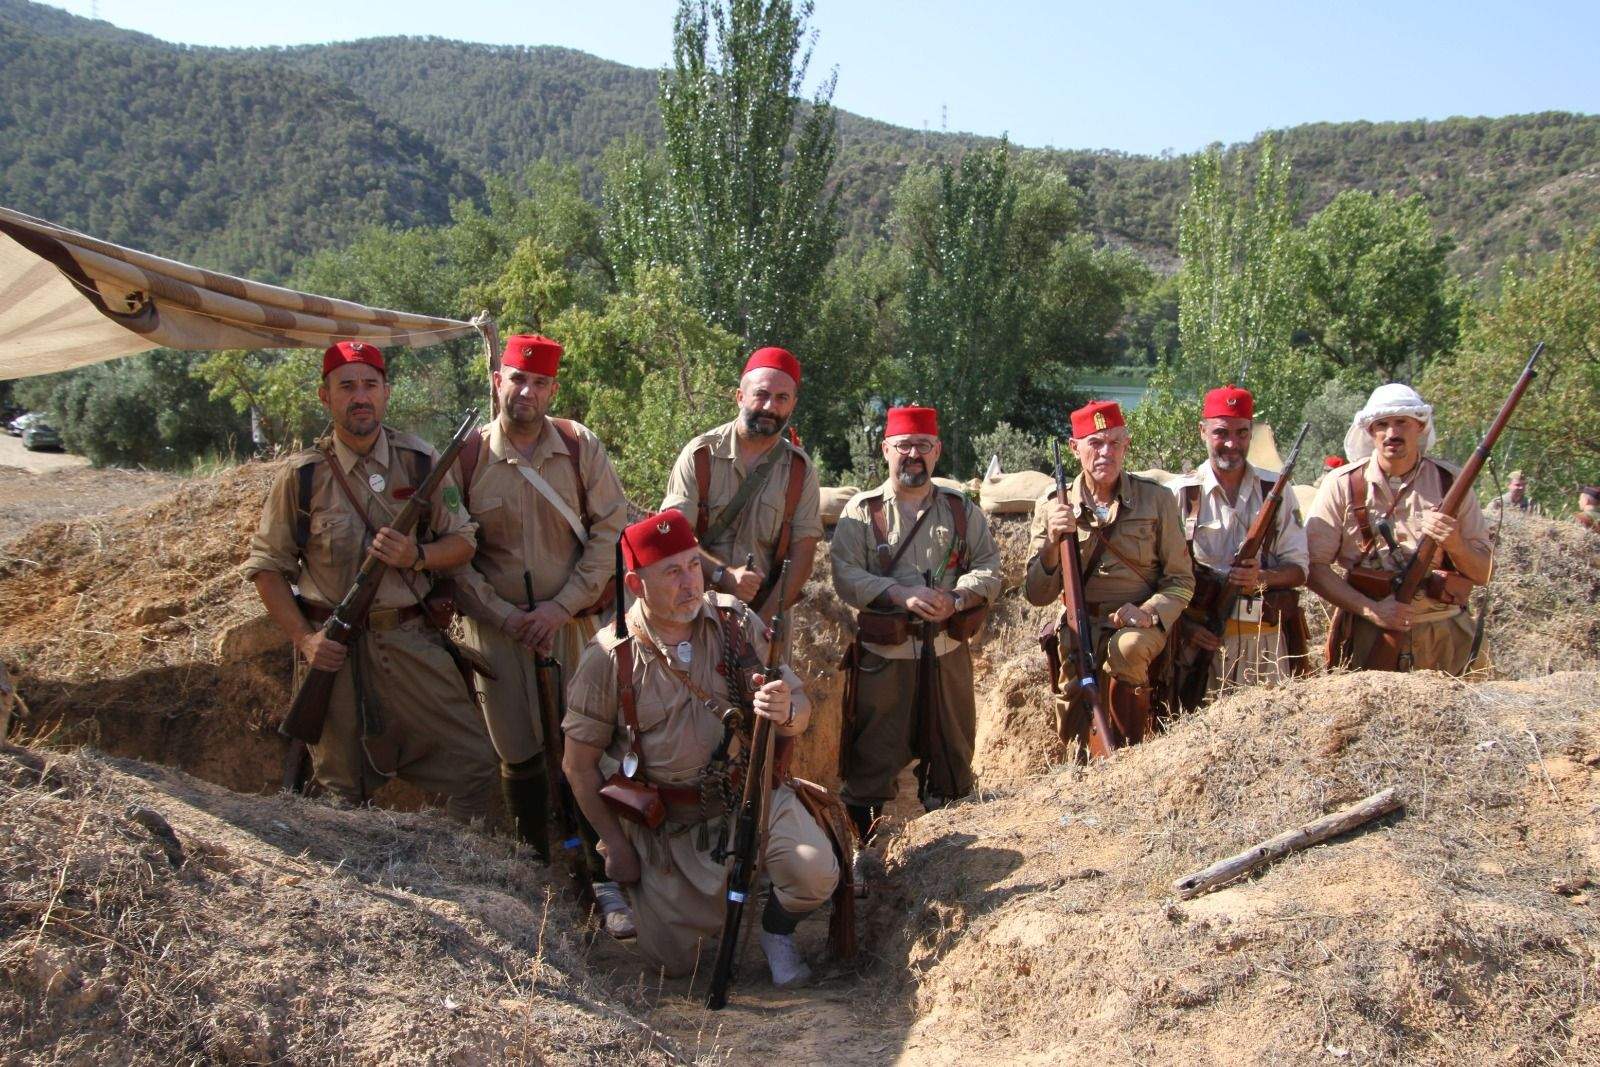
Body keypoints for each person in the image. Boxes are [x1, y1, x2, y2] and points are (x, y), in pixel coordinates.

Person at [561, 510, 840, 985]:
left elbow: (800, 705)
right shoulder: (608, 658)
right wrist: (616, 845)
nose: (690, 582)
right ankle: (671, 903)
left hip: (746, 796)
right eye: (671, 572)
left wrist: (785, 711)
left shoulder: (736, 622)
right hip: (670, 827)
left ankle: (776, 932)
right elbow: (578, 768)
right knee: (673, 968)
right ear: (635, 583)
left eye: (693, 565)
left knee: (815, 871)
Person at [243, 341, 497, 818]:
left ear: (386, 393)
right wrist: (305, 640)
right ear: (326, 396)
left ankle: (465, 875)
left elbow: (465, 540)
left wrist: (417, 554)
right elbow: (267, 568)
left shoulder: (422, 462)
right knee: (342, 792)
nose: (359, 397)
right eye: (346, 387)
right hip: (335, 654)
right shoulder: (301, 478)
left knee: (475, 768)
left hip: (411, 641)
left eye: (369, 385)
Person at [449, 333, 635, 937]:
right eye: (515, 379)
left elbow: (610, 533)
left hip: (573, 625)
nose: (525, 392)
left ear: (553, 389)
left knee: (585, 748)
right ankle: (537, 873)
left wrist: (560, 607)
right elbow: (455, 552)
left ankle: (603, 875)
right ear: (497, 380)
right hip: (498, 629)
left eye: (538, 383)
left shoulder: (580, 448)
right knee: (518, 751)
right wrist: (504, 616)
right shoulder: (468, 457)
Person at [830, 406, 1002, 867]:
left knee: (951, 756)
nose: (913, 455)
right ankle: (862, 859)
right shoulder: (860, 513)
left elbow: (990, 567)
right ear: (886, 449)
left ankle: (949, 861)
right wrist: (899, 594)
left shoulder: (961, 509)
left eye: (922, 446)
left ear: (937, 451)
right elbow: (845, 576)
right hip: (884, 661)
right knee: (871, 762)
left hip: (946, 657)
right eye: (903, 446)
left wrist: (958, 598)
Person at [1024, 400, 1194, 748]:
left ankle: (1130, 753)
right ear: (1074, 448)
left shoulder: (1156, 500)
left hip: (1138, 625)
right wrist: (1052, 545)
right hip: (1080, 627)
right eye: (1095, 443)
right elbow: (1037, 594)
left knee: (1127, 648)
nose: (1106, 452)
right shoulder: (1052, 505)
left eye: (1114, 443)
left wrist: (1147, 613)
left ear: (1126, 445)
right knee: (1074, 728)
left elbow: (1182, 580)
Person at [1306, 383, 1493, 673]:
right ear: (1370, 432)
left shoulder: (1452, 483)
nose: (1392, 433)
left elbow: (1483, 572)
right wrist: (1373, 611)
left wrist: (1454, 542)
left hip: (1443, 637)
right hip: (1368, 632)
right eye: (1382, 424)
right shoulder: (1342, 484)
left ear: (1419, 426)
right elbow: (1314, 568)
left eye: (1402, 422)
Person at [662, 347, 822, 619]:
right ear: (739, 397)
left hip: (767, 612)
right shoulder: (700, 455)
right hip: (696, 610)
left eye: (782, 398)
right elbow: (672, 536)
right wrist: (723, 575)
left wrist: (763, 625)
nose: (770, 407)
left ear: (793, 404)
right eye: (761, 395)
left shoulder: (800, 471)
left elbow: (802, 556)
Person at [1170, 386, 1309, 694]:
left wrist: (1260, 577)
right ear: (1202, 431)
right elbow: (1159, 578)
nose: (1232, 444)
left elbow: (1299, 569)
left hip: (1266, 644)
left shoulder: (1277, 491)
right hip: (1201, 642)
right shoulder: (1179, 494)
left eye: (1242, 433)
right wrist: (1187, 629)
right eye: (1221, 433)